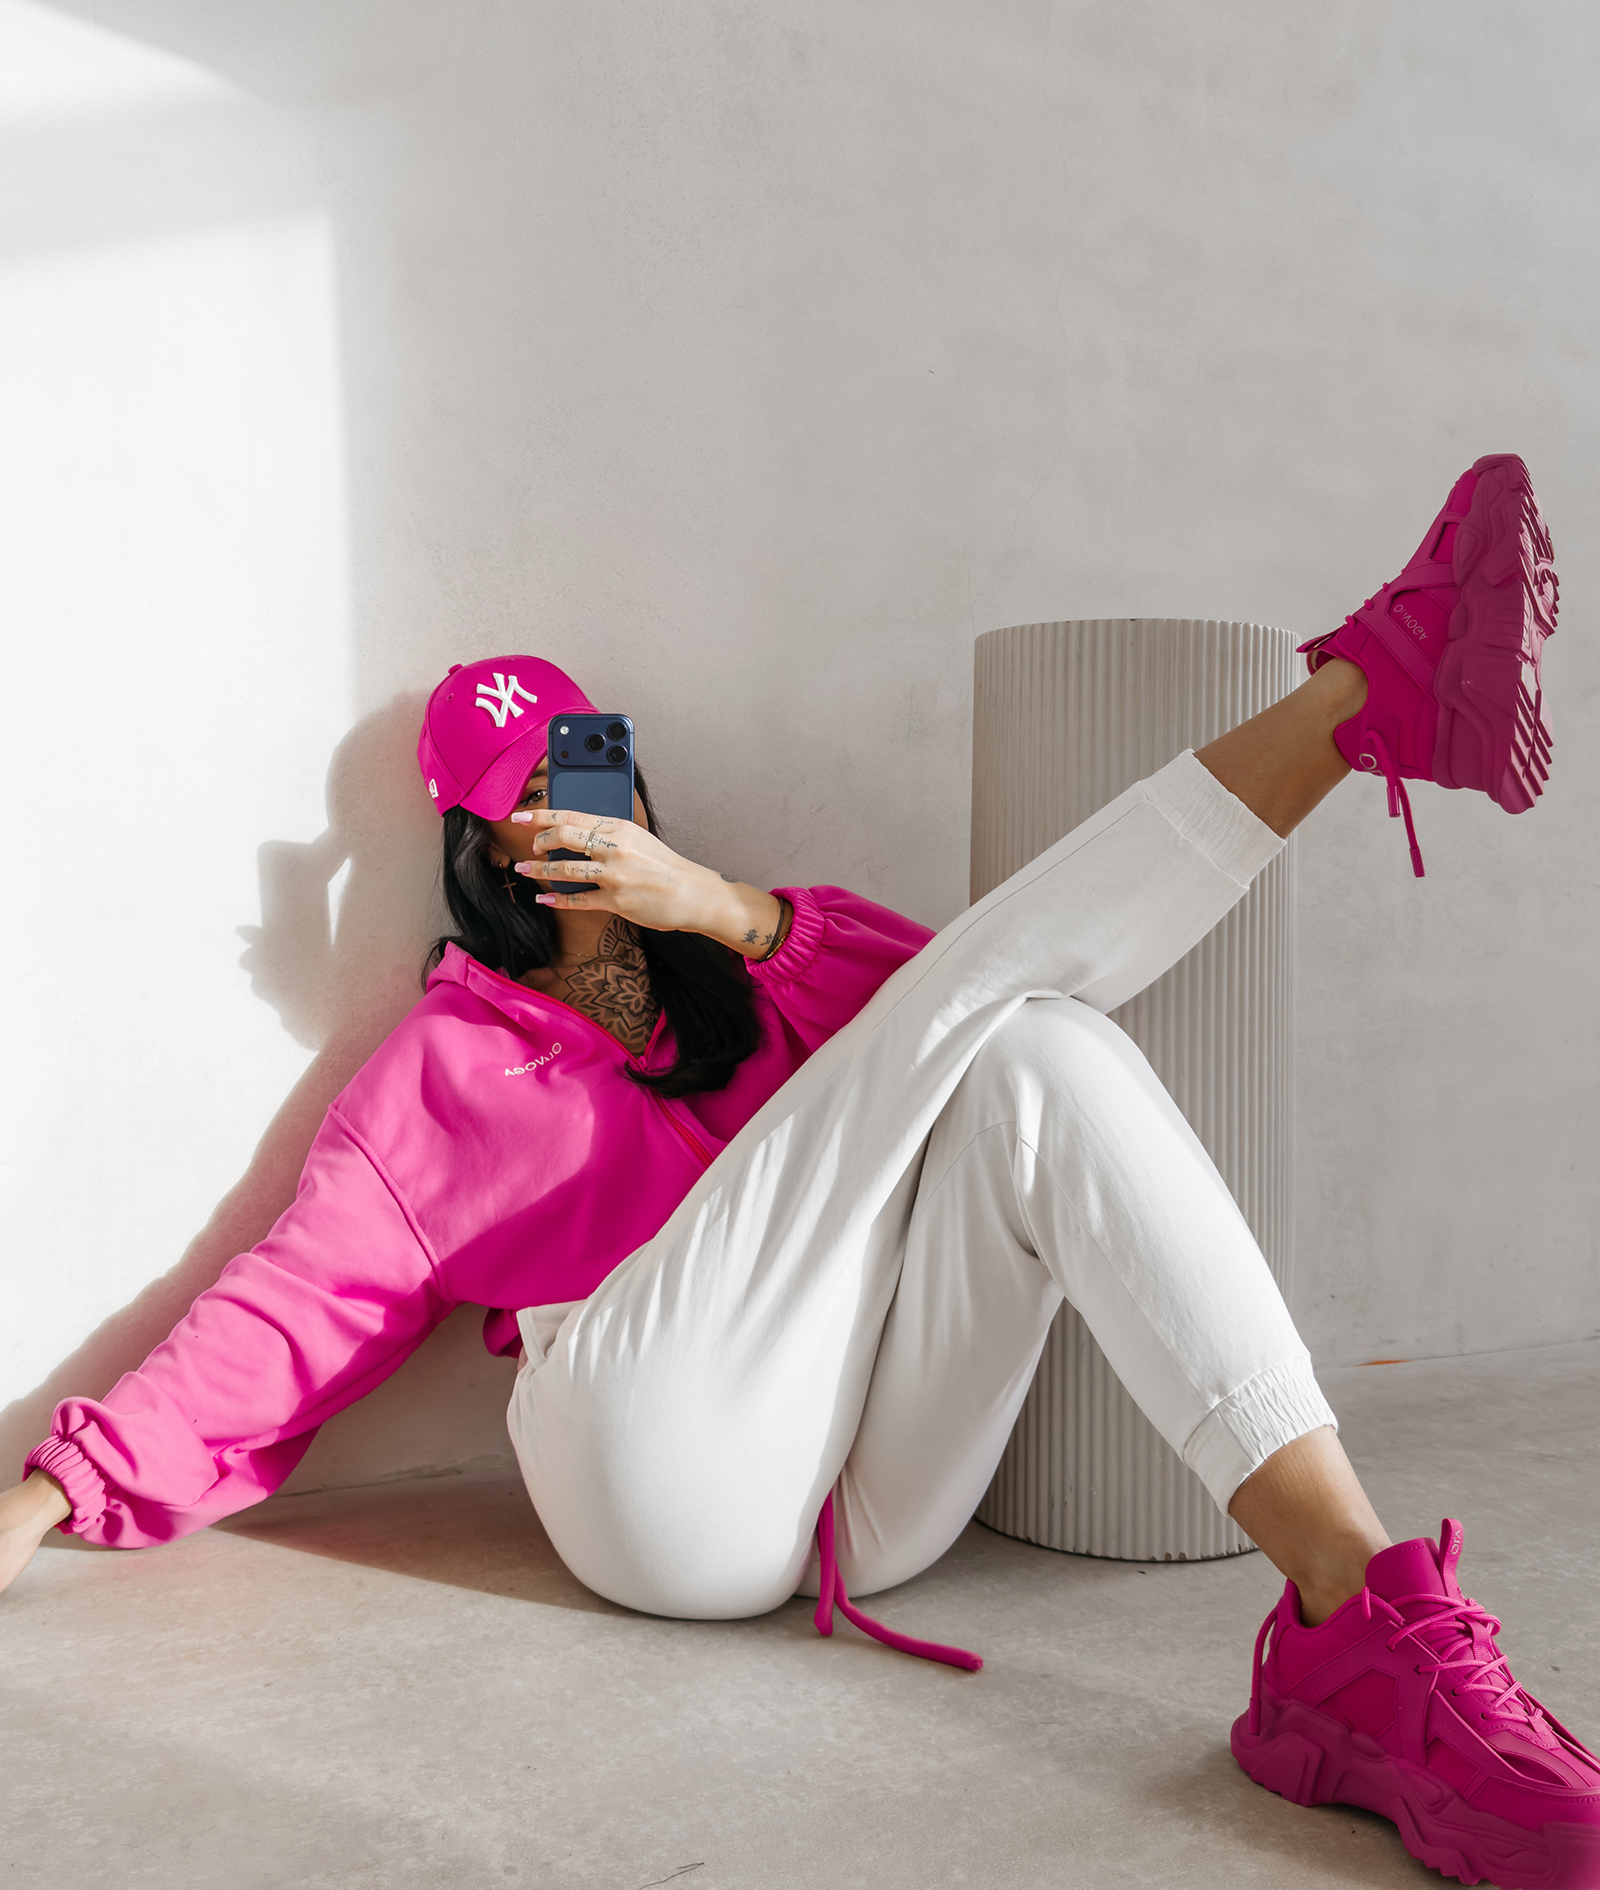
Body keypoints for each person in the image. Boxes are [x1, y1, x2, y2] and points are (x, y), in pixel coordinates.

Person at [1, 454, 1588, 1888]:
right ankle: (1359, 697)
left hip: (855, 1506)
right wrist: (46, 1490)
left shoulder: (749, 967)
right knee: (986, 1003)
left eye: (590, 764)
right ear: (485, 852)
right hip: (641, 1476)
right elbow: (279, 1311)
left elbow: (967, 999)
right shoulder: (438, 1068)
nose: (574, 808)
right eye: (531, 796)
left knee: (1034, 1044)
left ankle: (1355, 1627)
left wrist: (723, 911)